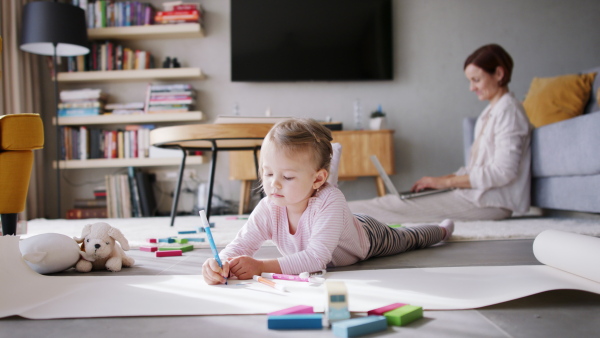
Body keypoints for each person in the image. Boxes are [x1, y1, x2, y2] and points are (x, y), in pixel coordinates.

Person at [202, 118, 454, 285]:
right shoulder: (269, 206)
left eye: (287, 176)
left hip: (367, 236)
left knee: (407, 238)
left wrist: (260, 266)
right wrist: (219, 263)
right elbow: (241, 244)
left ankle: (440, 230)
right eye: (268, 173)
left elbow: (316, 258)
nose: (274, 184)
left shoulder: (329, 199)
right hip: (342, 226)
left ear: (318, 179)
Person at [348, 44, 532, 224]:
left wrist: (445, 183)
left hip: (490, 202)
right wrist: (439, 181)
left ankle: (331, 213)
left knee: (391, 206)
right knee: (394, 203)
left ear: (499, 74)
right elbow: (476, 169)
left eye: (476, 80)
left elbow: (503, 172)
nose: (471, 88)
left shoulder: (509, 111)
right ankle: (331, 212)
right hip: (474, 195)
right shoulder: (489, 113)